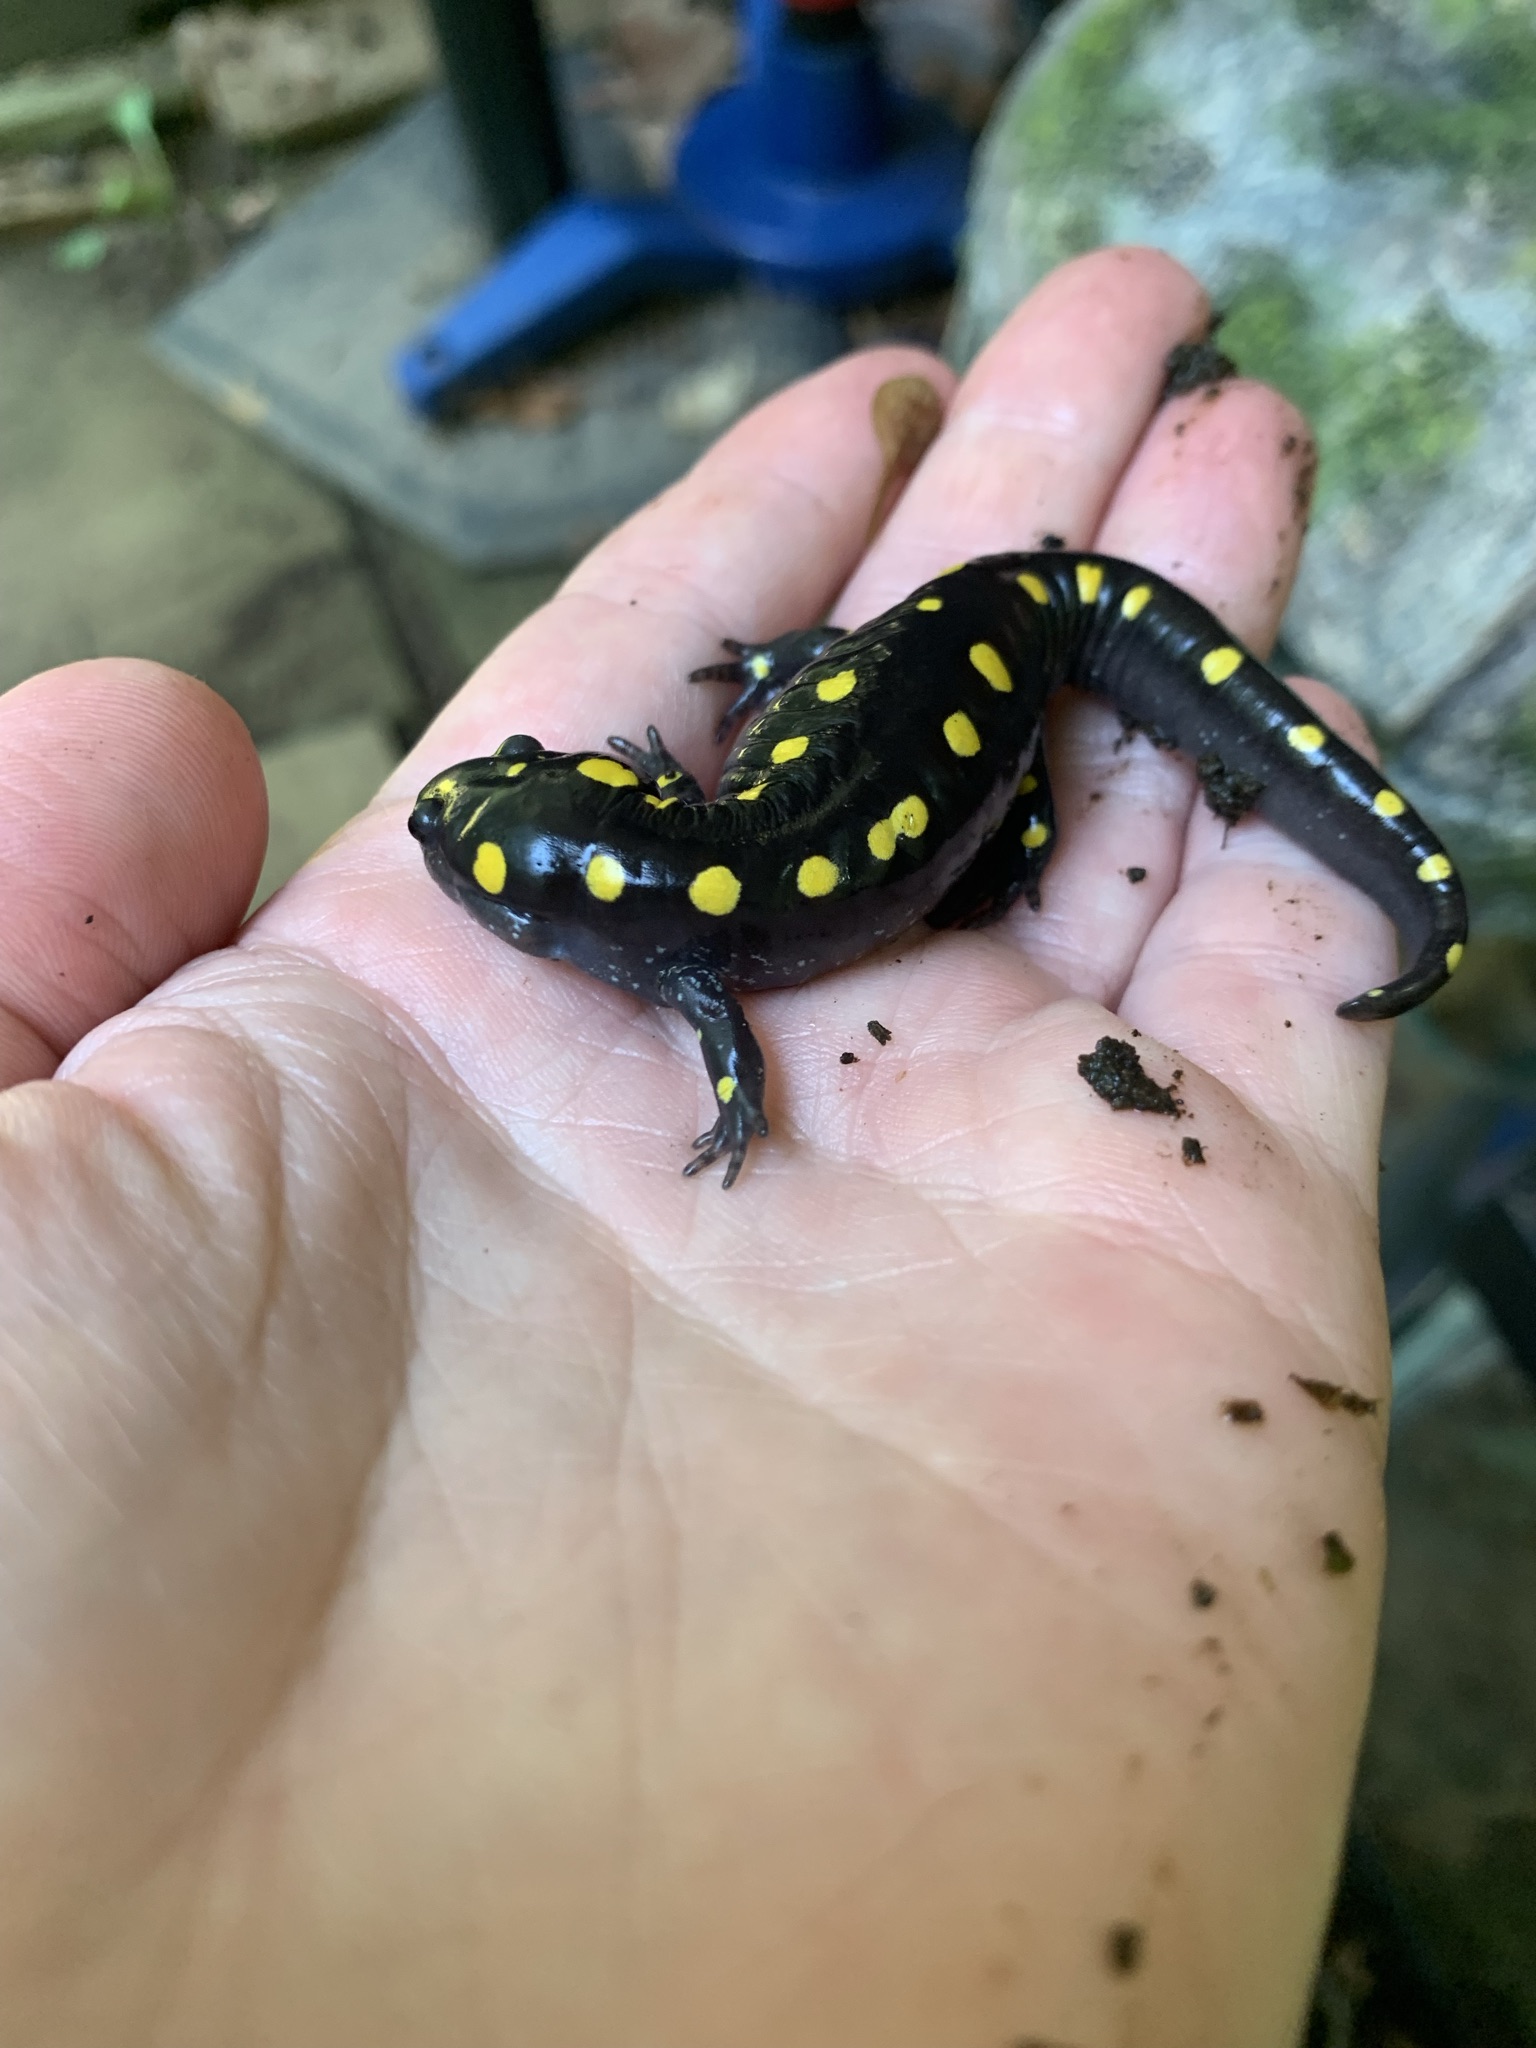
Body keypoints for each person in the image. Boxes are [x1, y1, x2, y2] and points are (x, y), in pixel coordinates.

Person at [0, 248, 1391, 2045]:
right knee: (930, 743)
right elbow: (708, 981)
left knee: (991, 754)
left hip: (995, 639)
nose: (463, 837)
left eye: (490, 843)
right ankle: (1016, 747)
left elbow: (723, 1025)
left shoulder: (685, 935)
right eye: (483, 846)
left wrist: (758, 1081)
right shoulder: (687, 915)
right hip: (934, 660)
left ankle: (1196, 805)